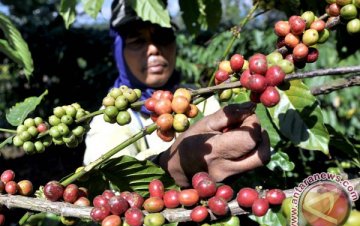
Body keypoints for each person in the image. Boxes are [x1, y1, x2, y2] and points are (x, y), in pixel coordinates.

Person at [83, 0, 270, 187]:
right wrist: (172, 165)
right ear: (118, 50)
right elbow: (111, 190)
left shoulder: (198, 96)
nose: (154, 49)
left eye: (163, 36)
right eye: (137, 41)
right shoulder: (108, 122)